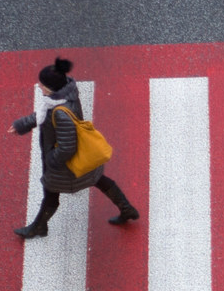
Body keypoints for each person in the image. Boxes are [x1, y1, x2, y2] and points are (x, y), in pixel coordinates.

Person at [9, 57, 139, 239]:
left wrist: (51, 160)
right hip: (78, 158)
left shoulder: (60, 113)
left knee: (51, 193)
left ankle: (38, 227)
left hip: (65, 165)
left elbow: (67, 147)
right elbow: (43, 115)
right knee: (98, 179)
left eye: (42, 84)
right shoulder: (62, 98)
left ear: (51, 88)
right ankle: (127, 209)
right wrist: (23, 124)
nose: (39, 86)